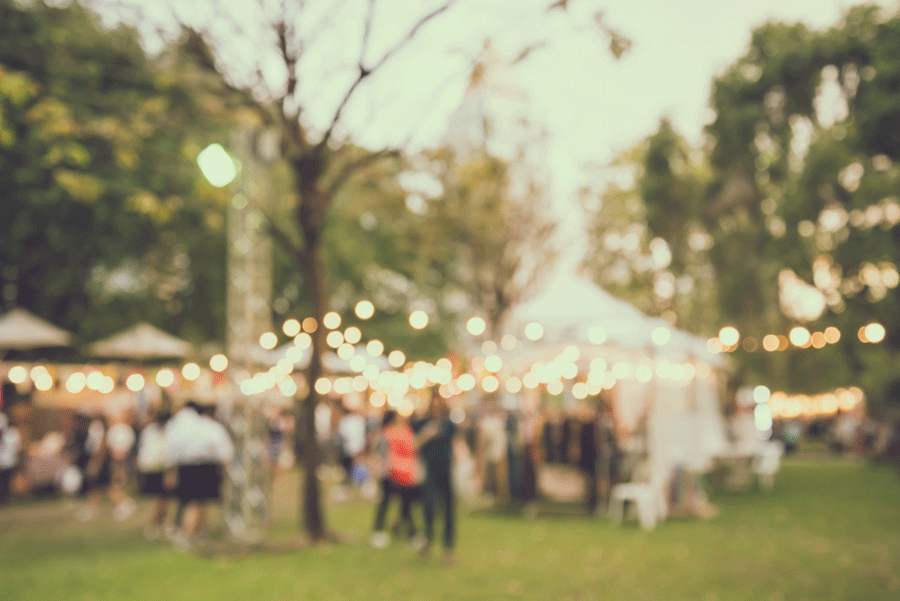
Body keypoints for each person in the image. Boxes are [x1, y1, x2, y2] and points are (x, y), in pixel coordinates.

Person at [164, 400, 233, 550]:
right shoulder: (210, 426)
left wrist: (171, 470)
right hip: (206, 467)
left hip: (186, 467)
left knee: (195, 501)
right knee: (196, 502)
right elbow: (224, 450)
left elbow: (171, 449)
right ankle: (186, 535)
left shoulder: (177, 425)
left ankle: (198, 531)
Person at [413, 389, 458, 565]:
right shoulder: (423, 423)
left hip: (445, 468)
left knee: (448, 509)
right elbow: (415, 445)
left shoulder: (448, 424)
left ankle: (448, 547)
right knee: (428, 506)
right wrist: (427, 434)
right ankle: (428, 539)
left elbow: (452, 443)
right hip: (429, 469)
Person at [370, 410, 422, 549]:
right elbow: (380, 454)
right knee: (386, 503)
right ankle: (380, 531)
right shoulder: (387, 434)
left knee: (405, 506)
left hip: (405, 474)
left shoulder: (404, 432)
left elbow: (412, 450)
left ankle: (410, 533)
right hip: (389, 474)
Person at [136, 410, 172, 539]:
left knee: (161, 499)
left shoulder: (150, 430)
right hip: (159, 467)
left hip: (152, 467)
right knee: (160, 499)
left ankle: (160, 524)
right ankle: (157, 524)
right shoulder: (167, 430)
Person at [0, 407, 22, 505]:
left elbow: (17, 447)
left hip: (8, 462)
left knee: (6, 482)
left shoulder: (12, 433)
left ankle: (5, 500)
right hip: (5, 461)